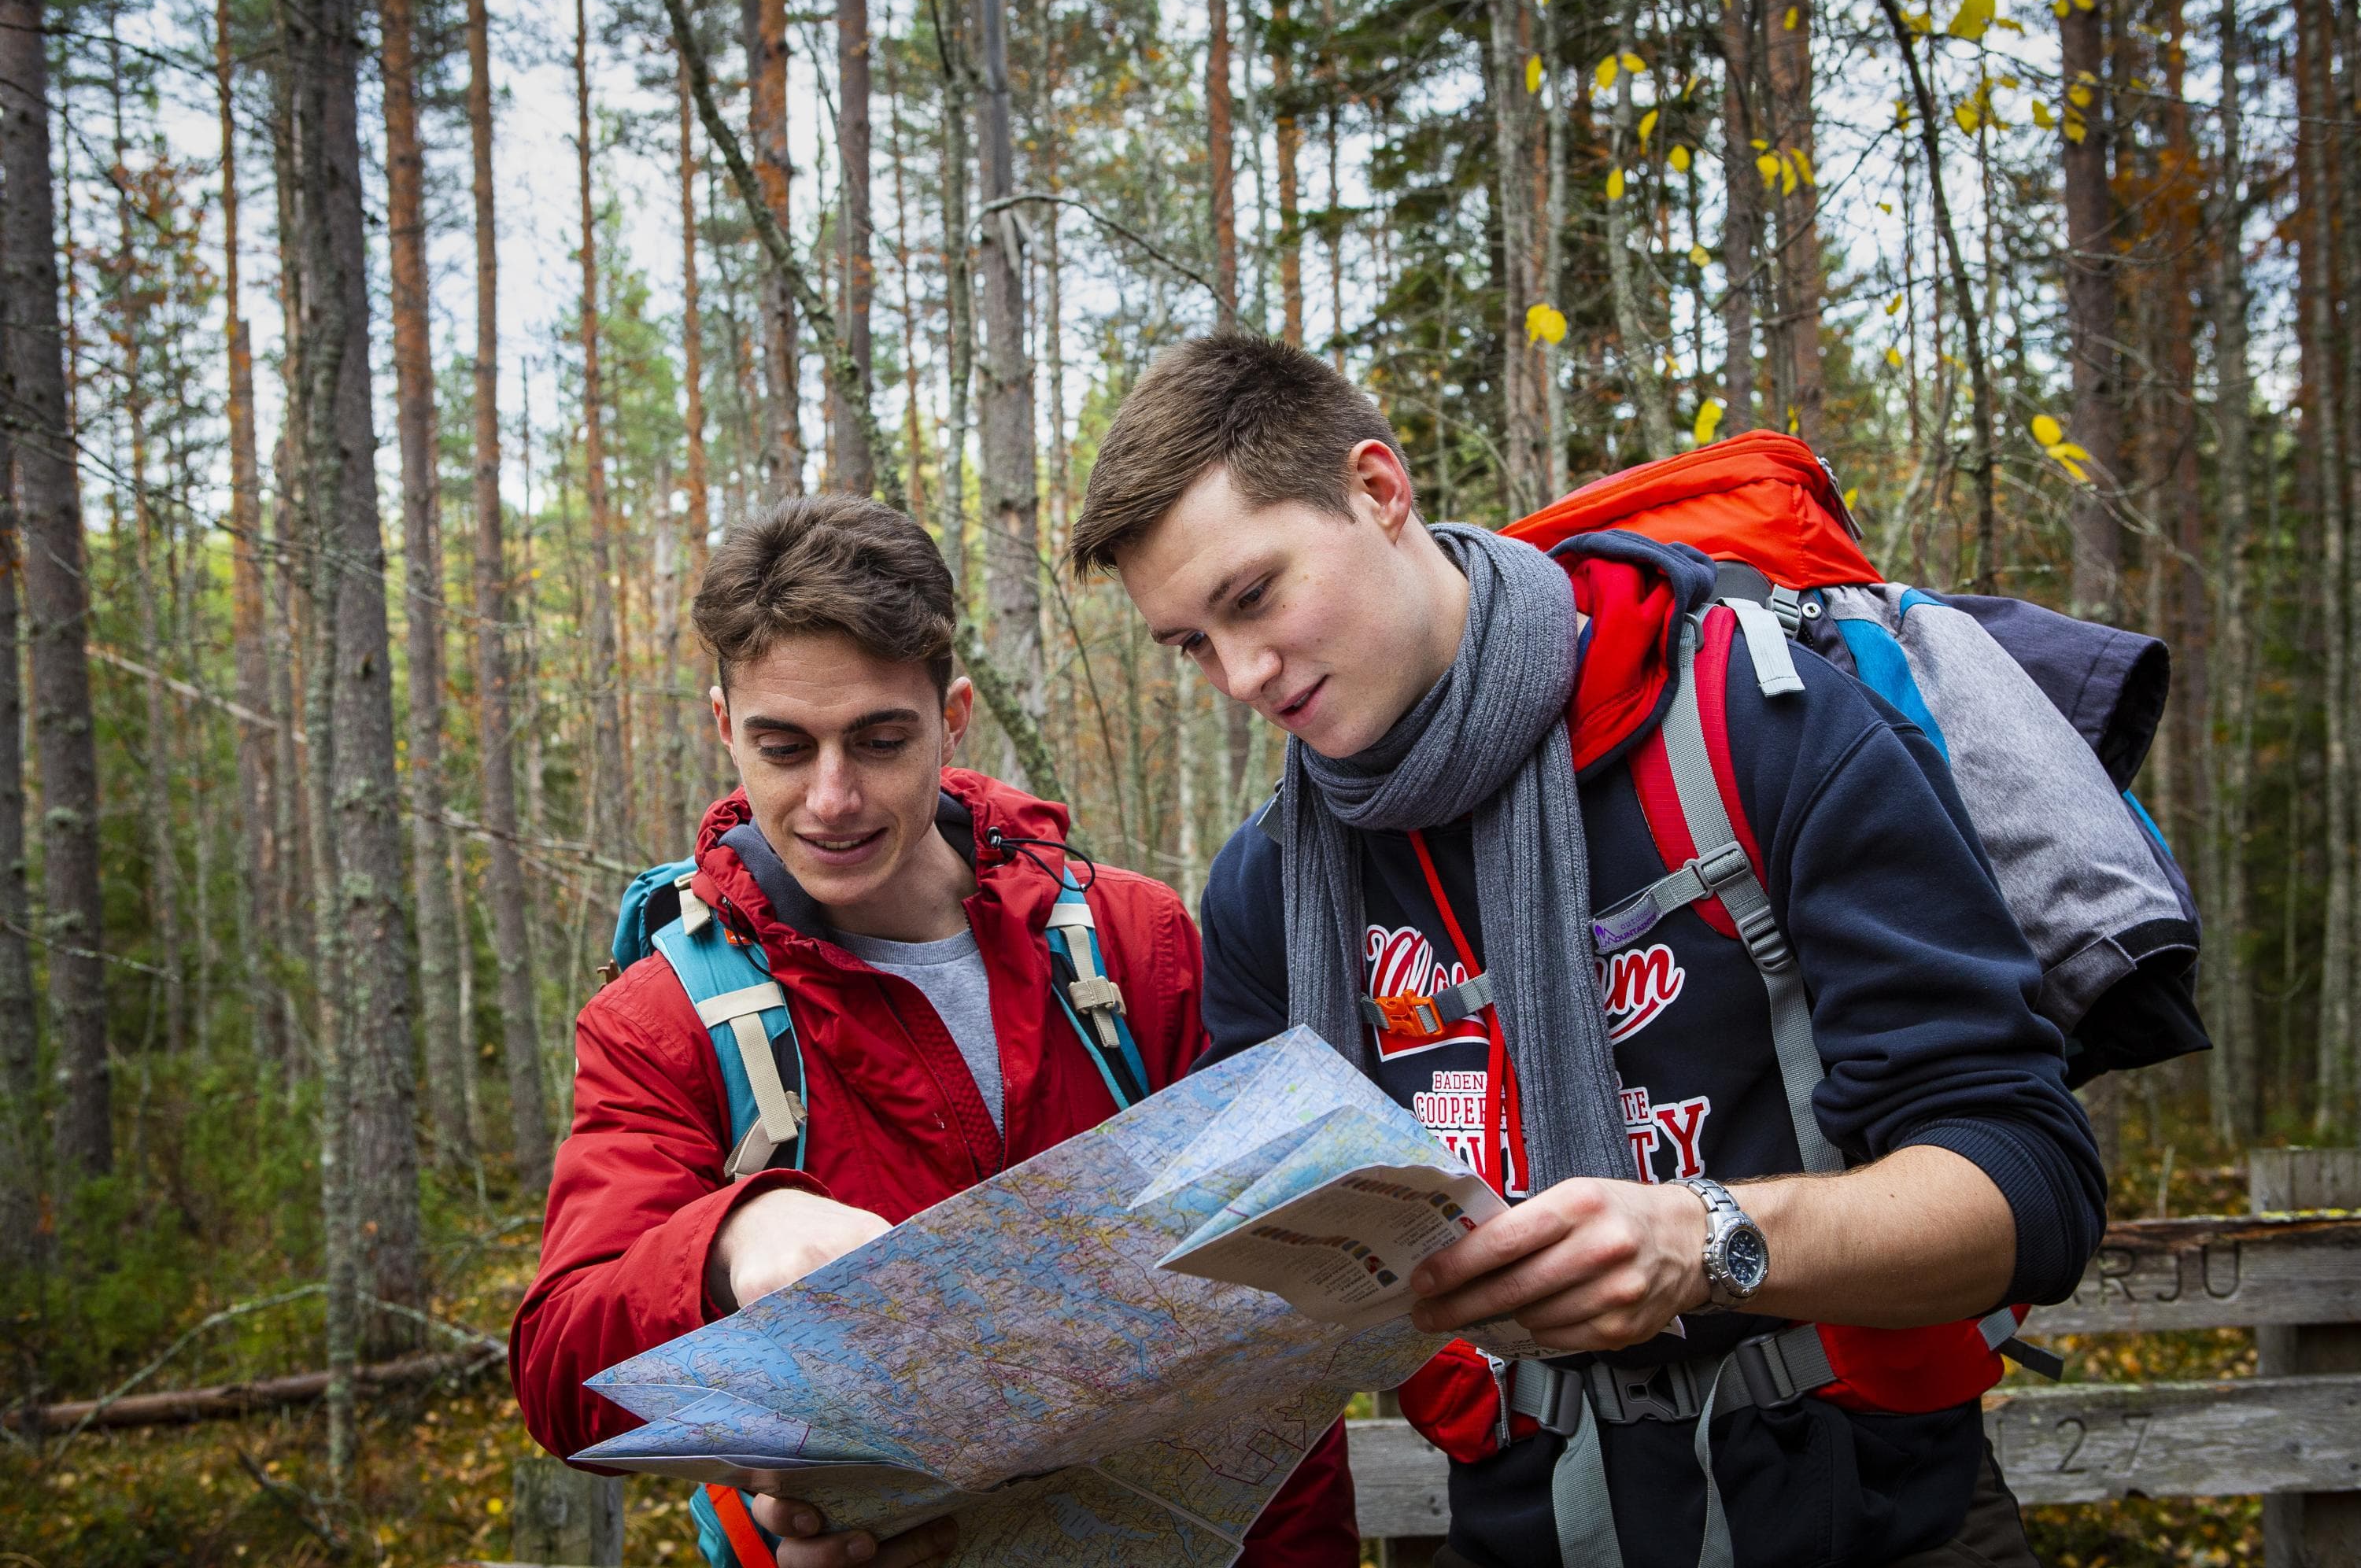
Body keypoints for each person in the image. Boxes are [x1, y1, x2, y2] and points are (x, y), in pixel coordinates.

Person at [1065, 334, 2108, 1568]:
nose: (1241, 675)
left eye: (1253, 598)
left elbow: (2032, 1181)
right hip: (1523, 1515)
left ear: (1379, 491)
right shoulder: (1269, 889)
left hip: (1876, 1506)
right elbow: (1276, 1280)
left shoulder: (1754, 731)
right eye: (1190, 643)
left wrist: (1703, 1239)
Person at [512, 496, 1357, 1568]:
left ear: (952, 718)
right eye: (783, 746)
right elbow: (559, 1379)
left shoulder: (1133, 949)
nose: (831, 797)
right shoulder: (665, 1021)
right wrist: (728, 1245)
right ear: (724, 726)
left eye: (879, 741)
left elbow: (1271, 1353)